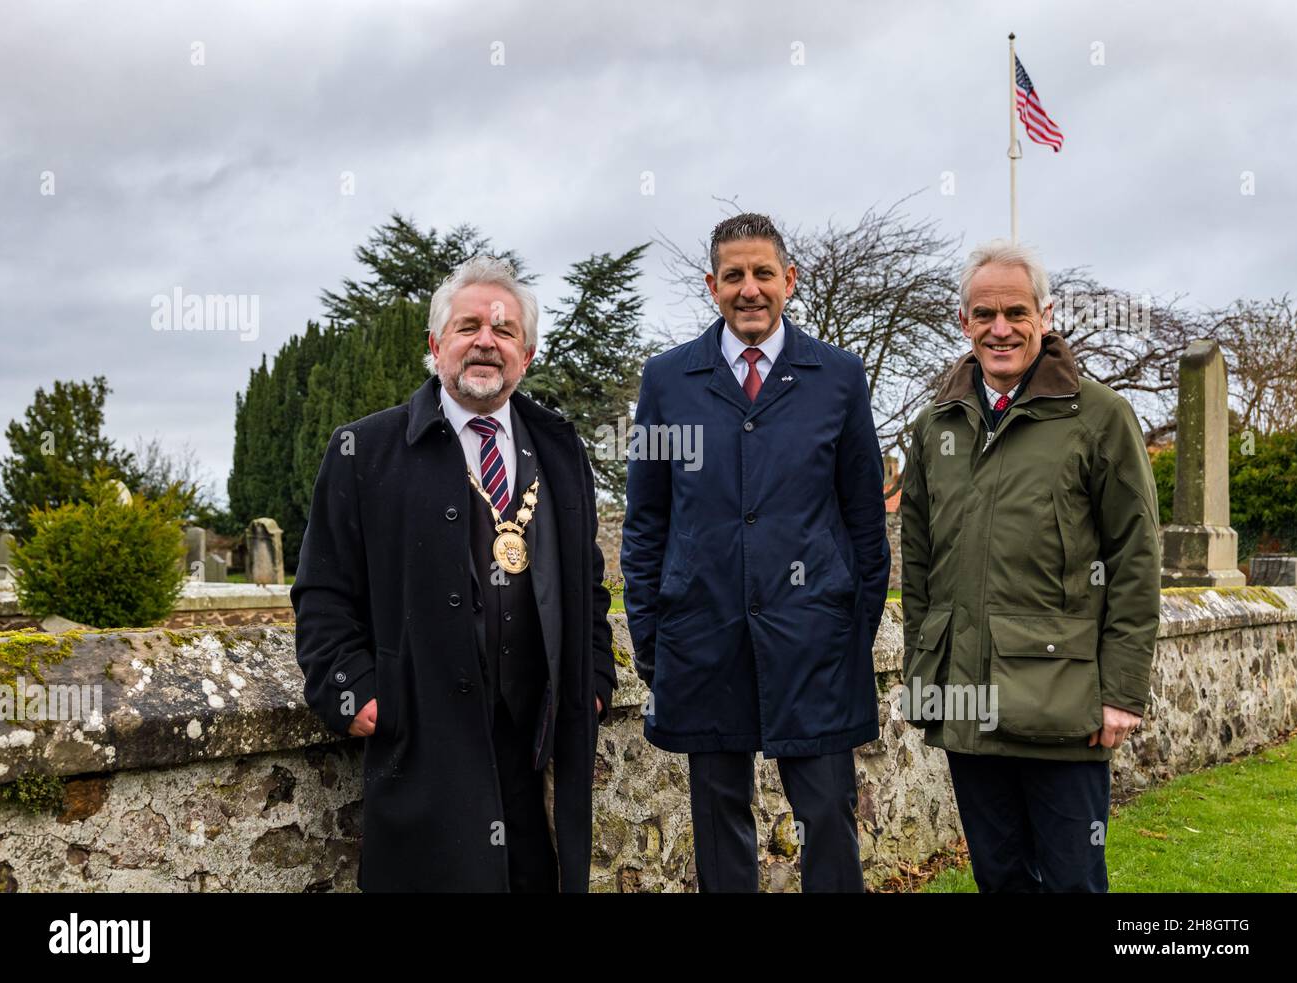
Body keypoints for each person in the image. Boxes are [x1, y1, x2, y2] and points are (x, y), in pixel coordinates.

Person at [292, 255, 615, 892]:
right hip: (423, 741)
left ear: (527, 351)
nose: (486, 342)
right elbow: (322, 591)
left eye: (504, 330)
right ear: (437, 344)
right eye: (469, 327)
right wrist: (352, 690)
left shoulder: (560, 447)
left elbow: (589, 583)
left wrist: (594, 678)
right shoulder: (365, 450)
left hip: (537, 740)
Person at [621, 213, 891, 892]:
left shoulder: (838, 377)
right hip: (703, 634)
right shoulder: (667, 380)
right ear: (711, 284)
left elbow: (864, 521)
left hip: (815, 640)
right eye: (734, 275)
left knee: (828, 814)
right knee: (719, 817)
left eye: (763, 273)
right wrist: (652, 632)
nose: (749, 288)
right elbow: (647, 518)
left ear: (789, 280)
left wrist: (849, 630)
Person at [899, 240, 1160, 892]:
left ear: (1043, 314)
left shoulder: (1100, 416)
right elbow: (920, 561)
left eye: (1015, 312)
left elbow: (1135, 554)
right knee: (1000, 879)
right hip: (967, 704)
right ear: (963, 322)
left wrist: (1121, 689)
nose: (1000, 328)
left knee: (1073, 883)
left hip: (1062, 703)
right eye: (983, 314)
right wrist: (923, 672)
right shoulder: (936, 426)